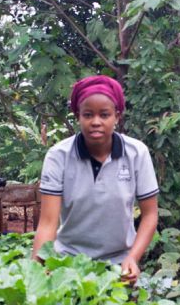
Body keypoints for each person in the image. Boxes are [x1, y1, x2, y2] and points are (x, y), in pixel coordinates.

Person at [32, 75, 159, 283]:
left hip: (119, 265)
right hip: (68, 264)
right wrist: (34, 276)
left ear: (117, 116)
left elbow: (150, 215)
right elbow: (47, 223)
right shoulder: (58, 156)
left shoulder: (137, 153)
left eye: (105, 114)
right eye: (88, 115)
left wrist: (132, 258)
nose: (96, 122)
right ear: (77, 116)